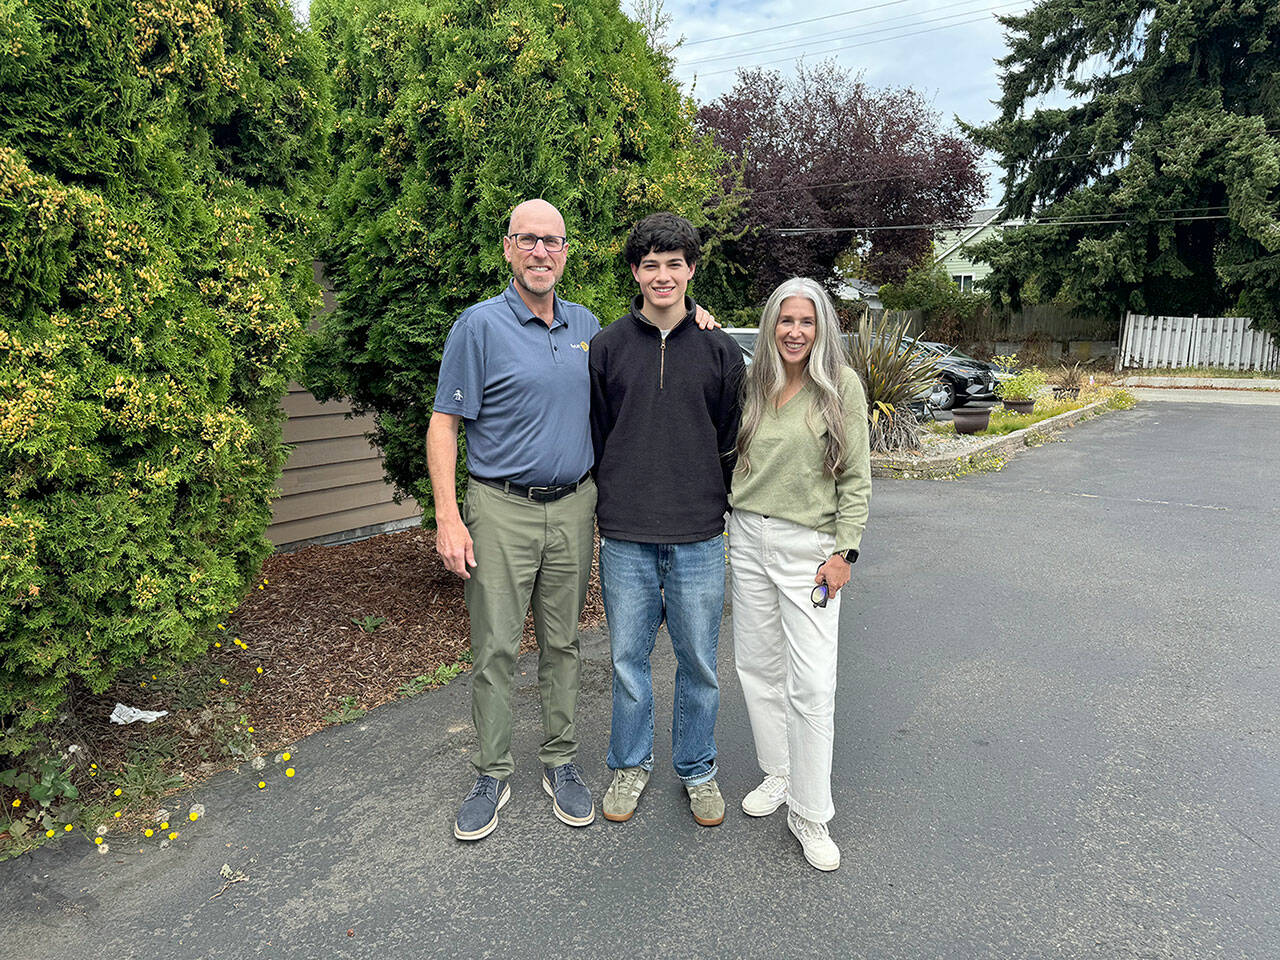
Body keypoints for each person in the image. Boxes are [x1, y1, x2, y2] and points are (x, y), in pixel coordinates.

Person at [428, 201, 719, 842]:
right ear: (508, 249)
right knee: (497, 647)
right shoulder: (477, 327)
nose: (540, 252)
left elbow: (651, 340)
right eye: (527, 240)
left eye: (552, 242)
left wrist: (696, 321)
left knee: (564, 646)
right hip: (500, 507)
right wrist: (449, 516)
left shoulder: (588, 327)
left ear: (565, 252)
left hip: (574, 507)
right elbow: (445, 423)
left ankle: (561, 763)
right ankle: (492, 773)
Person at [589, 213, 745, 827]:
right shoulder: (606, 347)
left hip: (700, 535)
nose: (662, 275)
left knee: (699, 662)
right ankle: (629, 765)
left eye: (674, 263)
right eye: (650, 264)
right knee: (627, 660)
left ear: (691, 270)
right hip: (626, 533)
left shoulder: (719, 349)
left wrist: (715, 502)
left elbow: (730, 437)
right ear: (635, 272)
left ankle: (697, 769)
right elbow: (598, 434)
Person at [727, 277, 870, 871]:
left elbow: (857, 478)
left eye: (806, 322)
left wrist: (846, 552)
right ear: (770, 326)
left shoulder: (841, 389)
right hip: (746, 538)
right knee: (757, 667)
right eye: (785, 321)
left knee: (811, 685)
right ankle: (779, 774)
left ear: (822, 328)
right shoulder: (755, 384)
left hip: (808, 549)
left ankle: (811, 812)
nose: (794, 332)